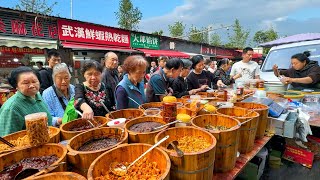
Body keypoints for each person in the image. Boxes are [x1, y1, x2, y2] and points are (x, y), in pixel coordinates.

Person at [0, 66, 52, 136]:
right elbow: (8, 140)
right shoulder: (12, 108)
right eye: (26, 83)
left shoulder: (37, 95)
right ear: (16, 86)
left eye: (34, 81)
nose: (31, 85)